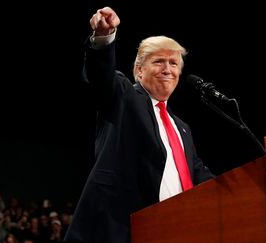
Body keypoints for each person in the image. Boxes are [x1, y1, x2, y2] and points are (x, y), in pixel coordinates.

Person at [64, 6, 215, 243]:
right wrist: (104, 39)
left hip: (177, 231)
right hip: (122, 231)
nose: (168, 69)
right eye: (159, 61)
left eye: (174, 64)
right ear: (139, 69)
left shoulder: (182, 128)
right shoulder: (125, 97)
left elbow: (201, 178)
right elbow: (100, 76)